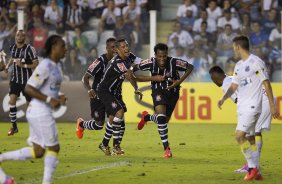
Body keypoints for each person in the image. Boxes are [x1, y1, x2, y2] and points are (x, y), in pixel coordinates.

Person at [0, 35, 67, 184]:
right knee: (54, 148)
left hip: (37, 110)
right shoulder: (46, 66)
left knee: (38, 152)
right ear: (53, 47)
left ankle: (1, 158)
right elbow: (29, 88)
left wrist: (58, 97)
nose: (65, 49)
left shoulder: (56, 66)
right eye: (62, 46)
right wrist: (50, 100)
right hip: (40, 111)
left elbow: (48, 89)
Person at [217, 35, 279, 181]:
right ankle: (256, 171)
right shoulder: (238, 66)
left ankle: (252, 167)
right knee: (251, 138)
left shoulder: (256, 62)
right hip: (242, 107)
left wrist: (272, 105)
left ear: (238, 47)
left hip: (253, 106)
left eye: (234, 47)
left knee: (239, 136)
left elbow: (266, 84)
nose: (234, 50)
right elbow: (234, 85)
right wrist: (224, 98)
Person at [209, 65, 275, 178]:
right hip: (266, 98)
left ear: (215, 78)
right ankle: (253, 166)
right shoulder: (232, 78)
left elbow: (239, 100)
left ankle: (253, 166)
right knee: (253, 134)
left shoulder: (226, 84)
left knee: (244, 135)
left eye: (213, 79)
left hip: (261, 101)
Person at [135, 43, 194, 158]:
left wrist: (179, 82)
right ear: (155, 55)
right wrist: (153, 78)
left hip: (173, 93)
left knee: (164, 121)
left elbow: (190, 67)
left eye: (164, 56)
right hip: (158, 91)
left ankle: (146, 117)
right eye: (159, 56)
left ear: (167, 55)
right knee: (161, 118)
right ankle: (166, 149)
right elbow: (132, 71)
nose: (162, 59)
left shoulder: (174, 62)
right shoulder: (150, 62)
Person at [96, 39, 142, 155]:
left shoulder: (130, 56)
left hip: (115, 92)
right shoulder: (117, 62)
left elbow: (142, 63)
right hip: (104, 91)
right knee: (119, 112)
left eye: (127, 45)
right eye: (123, 47)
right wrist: (154, 78)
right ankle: (116, 146)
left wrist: (136, 88)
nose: (126, 48)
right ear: (117, 50)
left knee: (114, 118)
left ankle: (104, 144)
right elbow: (130, 76)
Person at [4, 30, 39, 136]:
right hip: (15, 80)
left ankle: (36, 128)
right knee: (12, 100)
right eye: (17, 35)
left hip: (27, 81)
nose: (19, 37)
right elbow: (12, 58)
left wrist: (23, 66)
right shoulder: (12, 47)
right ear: (15, 37)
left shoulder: (30, 49)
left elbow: (36, 64)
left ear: (25, 37)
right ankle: (14, 127)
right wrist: (7, 66)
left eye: (21, 36)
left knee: (30, 106)